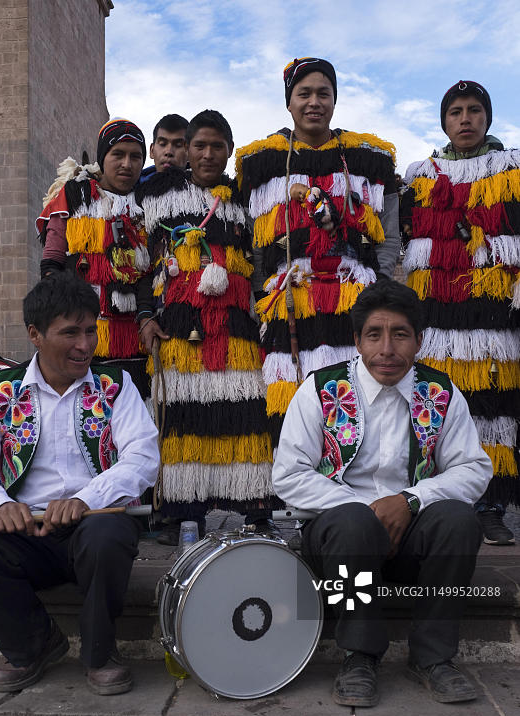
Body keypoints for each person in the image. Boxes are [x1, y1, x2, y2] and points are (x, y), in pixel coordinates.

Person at [273, 281, 493, 707]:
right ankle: (359, 655)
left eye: (400, 334)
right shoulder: (322, 390)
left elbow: (474, 468)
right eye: (374, 334)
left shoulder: (440, 393)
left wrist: (409, 502)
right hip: (340, 543)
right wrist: (369, 510)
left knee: (459, 521)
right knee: (353, 524)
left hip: (412, 542)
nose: (387, 349)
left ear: (419, 340)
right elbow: (288, 475)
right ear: (357, 340)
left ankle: (433, 658)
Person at [0, 275, 160, 695]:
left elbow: (143, 459)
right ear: (35, 335)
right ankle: (33, 644)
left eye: (90, 331)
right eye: (70, 333)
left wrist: (84, 499)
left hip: (97, 521)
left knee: (106, 536)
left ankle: (101, 652)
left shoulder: (115, 387)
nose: (85, 345)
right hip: (29, 532)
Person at [235, 57, 400, 445]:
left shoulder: (369, 159)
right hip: (289, 298)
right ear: (288, 102)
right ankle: (301, 491)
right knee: (295, 397)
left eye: (323, 93)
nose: (314, 102)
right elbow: (256, 245)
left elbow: (389, 235)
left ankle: (360, 484)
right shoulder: (261, 163)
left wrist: (380, 286)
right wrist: (264, 295)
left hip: (355, 296)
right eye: (303, 93)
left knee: (358, 391)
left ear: (335, 99)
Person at [136, 110, 277, 543]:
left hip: (237, 327)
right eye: (199, 145)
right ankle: (183, 512)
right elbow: (143, 268)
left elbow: (259, 265)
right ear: (185, 149)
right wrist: (145, 317)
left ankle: (254, 507)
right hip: (179, 328)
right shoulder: (156, 198)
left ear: (230, 151)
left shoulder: (245, 201)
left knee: (243, 412)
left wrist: (264, 315)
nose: (208, 154)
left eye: (218, 146)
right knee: (182, 417)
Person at [400, 81, 520, 545]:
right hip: (436, 311)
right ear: (444, 121)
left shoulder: (511, 169)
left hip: (493, 315)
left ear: (487, 117)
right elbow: (404, 239)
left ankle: (490, 506)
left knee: (494, 412)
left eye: (473, 110)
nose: (465, 118)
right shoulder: (420, 176)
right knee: (439, 406)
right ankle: (442, 503)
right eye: (455, 111)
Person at [36, 119, 151, 398]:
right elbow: (51, 262)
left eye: (136, 156)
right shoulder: (74, 194)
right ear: (103, 157)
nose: (127, 164)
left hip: (136, 339)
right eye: (118, 154)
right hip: (82, 337)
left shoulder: (148, 203)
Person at [139, 113, 189, 182]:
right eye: (162, 144)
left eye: (178, 145)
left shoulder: (206, 190)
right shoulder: (133, 189)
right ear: (152, 151)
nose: (168, 152)